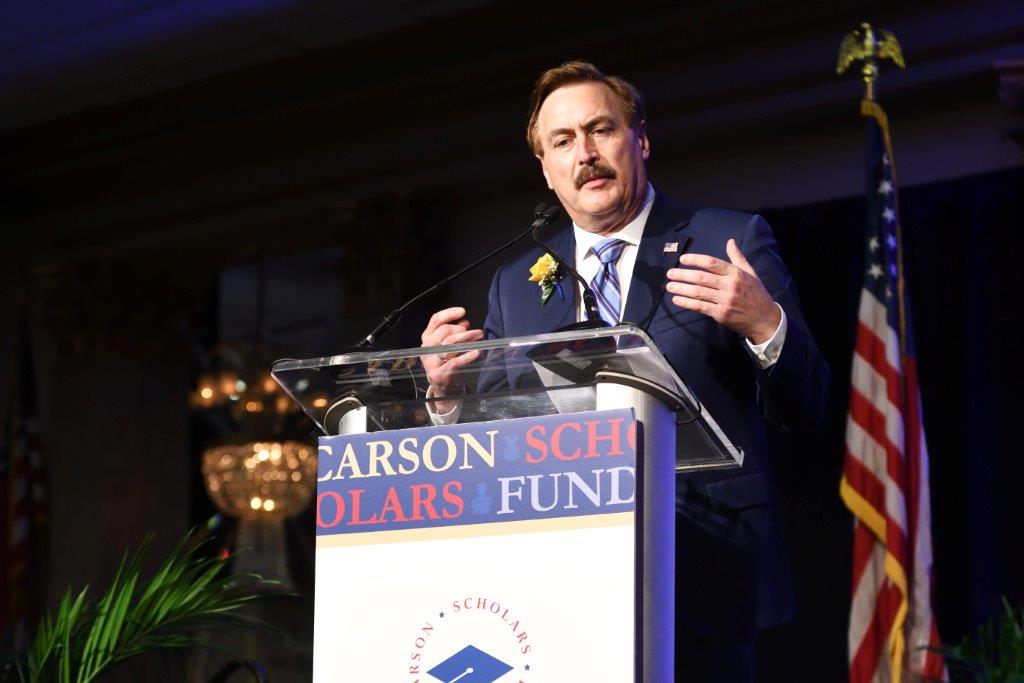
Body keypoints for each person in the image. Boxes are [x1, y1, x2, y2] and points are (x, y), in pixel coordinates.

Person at [419, 61, 828, 680]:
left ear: (640, 140)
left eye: (600, 129)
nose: (584, 153)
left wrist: (765, 324)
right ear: (546, 170)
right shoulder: (516, 284)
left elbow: (810, 405)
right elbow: (497, 439)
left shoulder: (726, 240)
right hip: (560, 586)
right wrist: (447, 397)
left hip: (705, 576)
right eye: (562, 141)